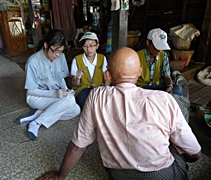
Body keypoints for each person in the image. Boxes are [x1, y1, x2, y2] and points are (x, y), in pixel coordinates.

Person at [38, 47, 201, 180]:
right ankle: (179, 99)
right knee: (178, 104)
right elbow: (195, 154)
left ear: (108, 75)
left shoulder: (96, 96)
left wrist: (60, 176)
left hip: (117, 174)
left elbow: (76, 146)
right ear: (139, 72)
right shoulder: (163, 99)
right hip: (162, 174)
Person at [15, 29, 80, 141]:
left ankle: (39, 114)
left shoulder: (60, 56)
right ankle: (36, 123)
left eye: (60, 51)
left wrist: (65, 90)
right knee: (69, 101)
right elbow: (31, 91)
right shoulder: (33, 62)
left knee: (76, 110)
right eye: (55, 51)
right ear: (46, 45)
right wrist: (55, 93)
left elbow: (61, 78)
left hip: (55, 95)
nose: (57, 55)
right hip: (37, 97)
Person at [136, 28, 183, 96]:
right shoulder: (137, 56)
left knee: (177, 89)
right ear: (148, 42)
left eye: (161, 47)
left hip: (155, 88)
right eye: (157, 46)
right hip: (142, 88)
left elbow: (167, 77)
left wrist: (169, 86)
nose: (159, 50)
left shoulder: (163, 56)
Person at [71, 31, 109, 110]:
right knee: (86, 103)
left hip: (99, 88)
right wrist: (77, 78)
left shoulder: (102, 58)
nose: (88, 49)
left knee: (103, 102)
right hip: (82, 90)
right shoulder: (77, 59)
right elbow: (75, 84)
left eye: (91, 46)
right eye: (85, 46)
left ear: (97, 46)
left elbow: (106, 78)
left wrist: (106, 92)